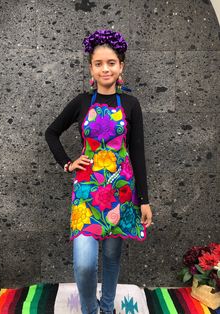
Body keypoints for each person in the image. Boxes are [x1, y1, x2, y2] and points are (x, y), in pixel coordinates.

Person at [45, 29, 153, 314]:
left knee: (112, 256)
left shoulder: (131, 105)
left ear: (121, 67)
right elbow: (52, 133)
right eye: (98, 63)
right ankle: (90, 311)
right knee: (84, 262)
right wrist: (67, 163)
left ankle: (108, 309)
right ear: (91, 68)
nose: (105, 68)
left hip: (120, 189)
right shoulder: (81, 102)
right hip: (86, 191)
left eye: (111, 62)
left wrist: (144, 199)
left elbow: (138, 153)